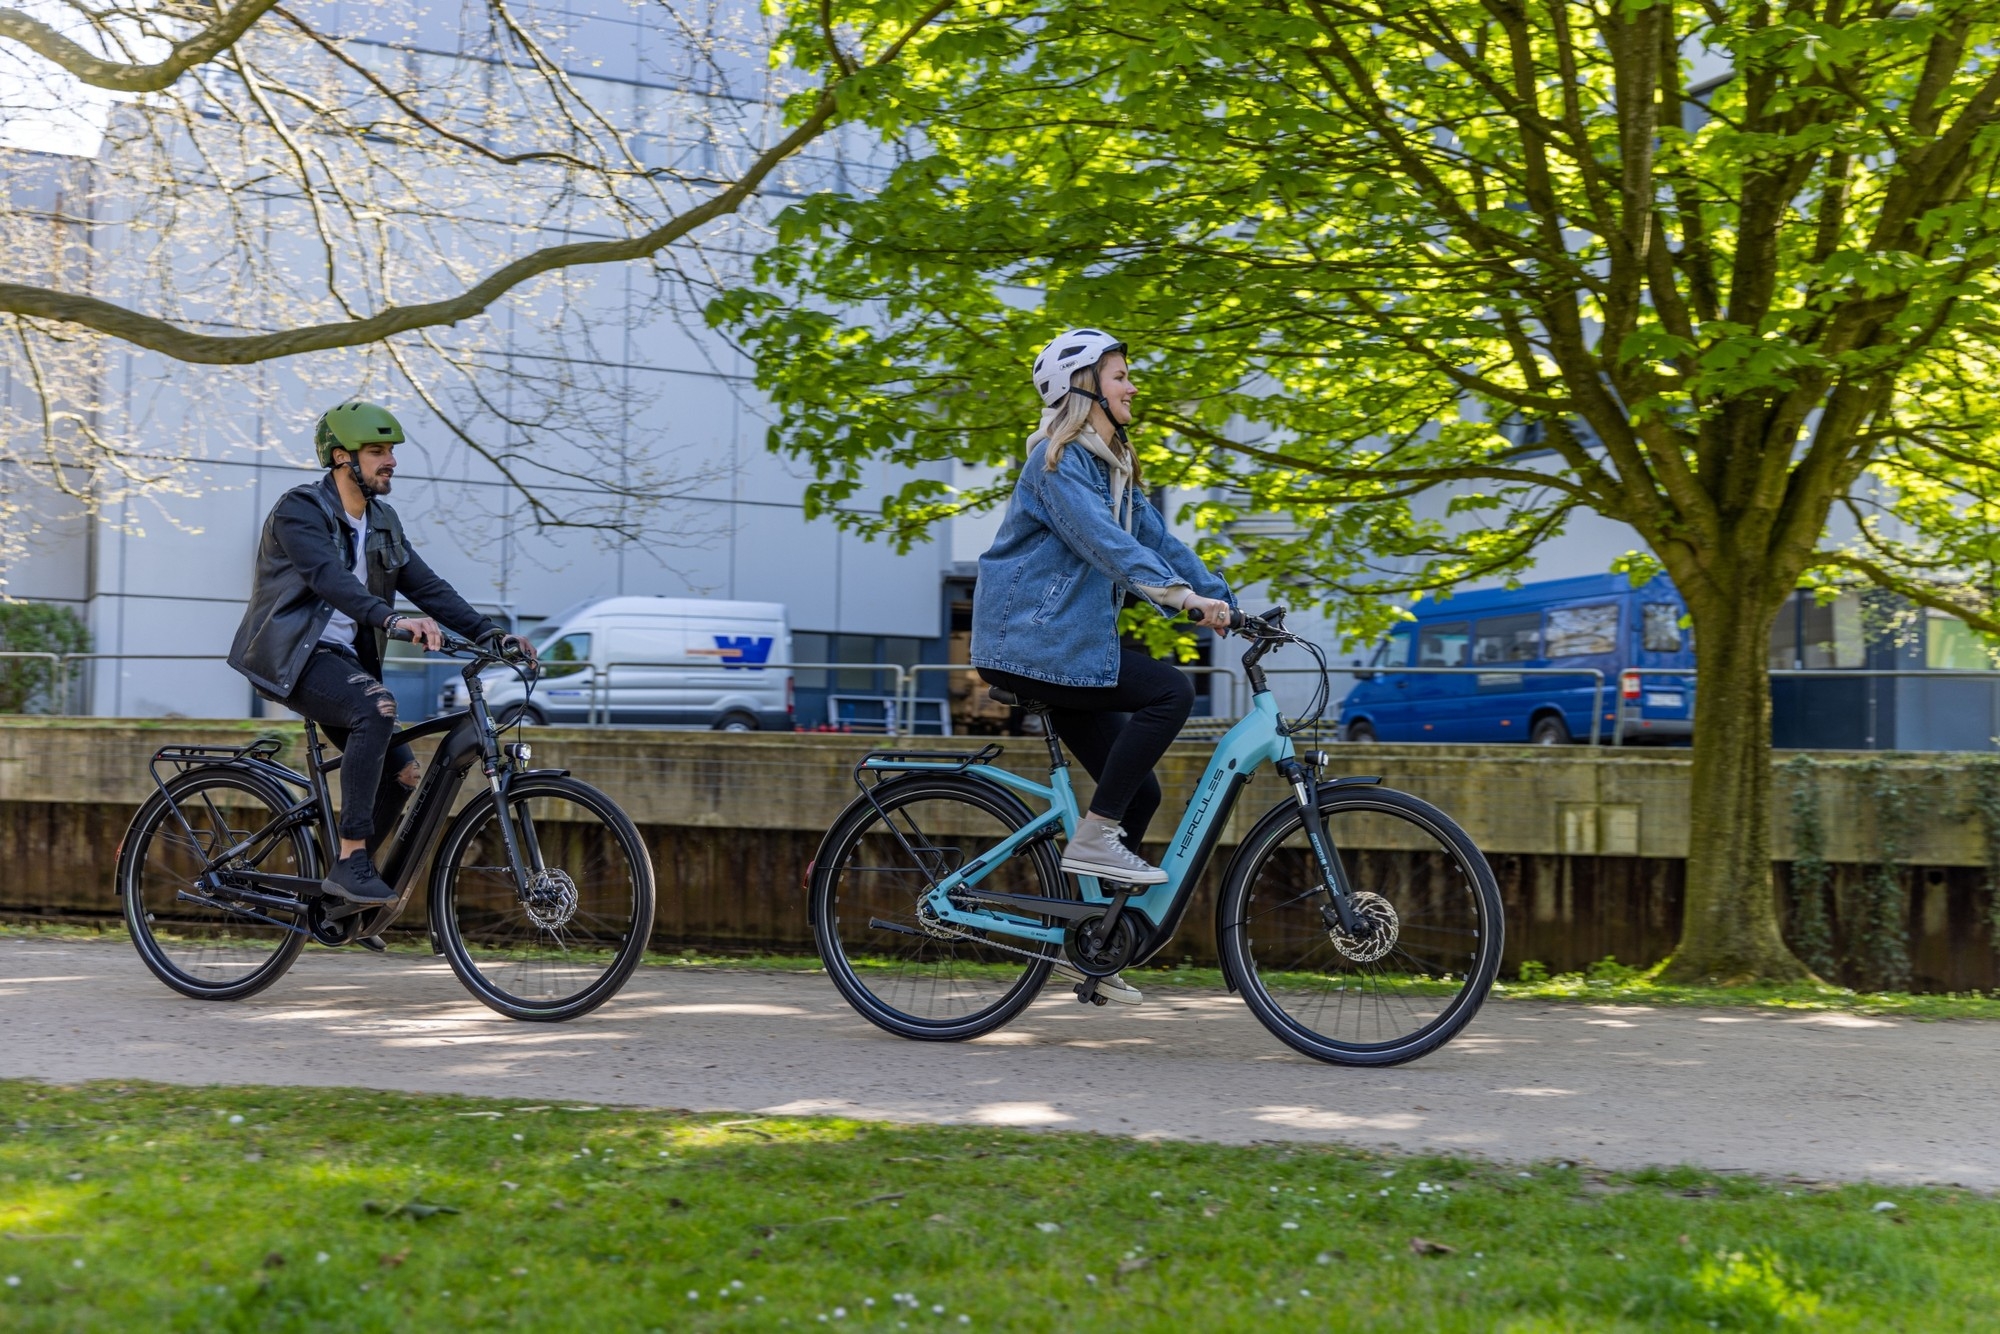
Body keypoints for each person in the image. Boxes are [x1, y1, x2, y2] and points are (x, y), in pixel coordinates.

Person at [972, 329, 1236, 1005]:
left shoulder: (1109, 467)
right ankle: (1094, 837)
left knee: (1138, 795)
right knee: (1169, 692)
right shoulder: (1056, 465)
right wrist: (1182, 600)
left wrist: (1228, 603)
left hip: (1069, 650)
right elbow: (1106, 545)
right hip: (1034, 645)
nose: (1132, 386)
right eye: (1120, 376)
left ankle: (1096, 944)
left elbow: (1157, 540)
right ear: (1082, 387)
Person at [228, 400, 537, 906]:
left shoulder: (382, 521)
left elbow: (428, 587)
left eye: (390, 451)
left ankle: (342, 896)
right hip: (291, 657)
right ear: (341, 457)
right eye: (376, 451)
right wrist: (390, 619)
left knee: (403, 774)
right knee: (376, 707)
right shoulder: (300, 510)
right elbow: (328, 578)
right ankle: (351, 858)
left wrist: (490, 635)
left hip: (343, 662)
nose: (390, 460)